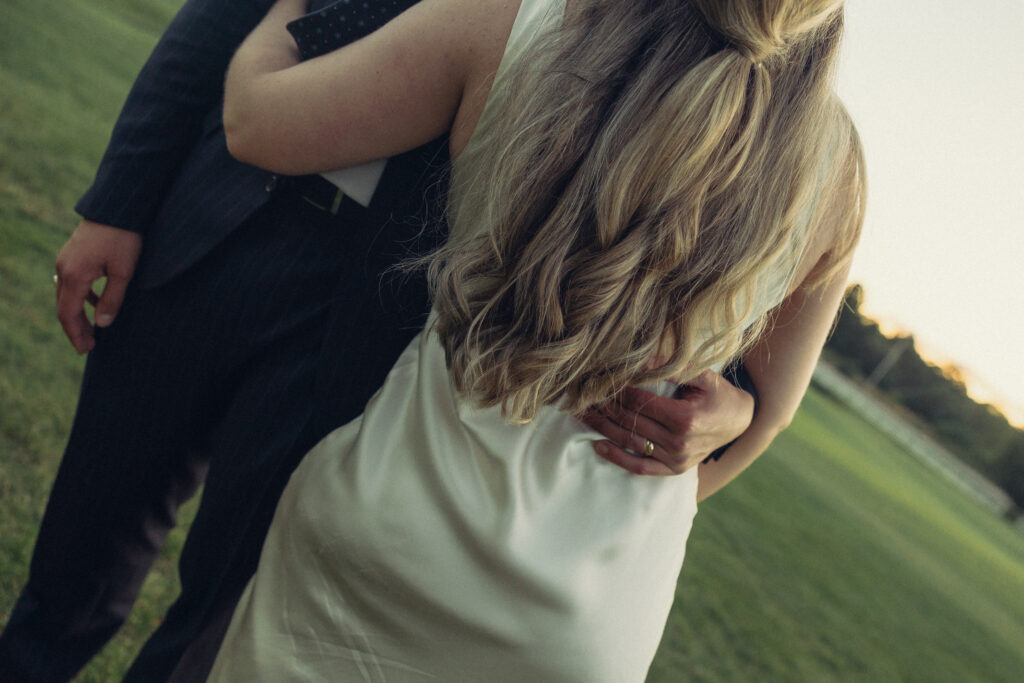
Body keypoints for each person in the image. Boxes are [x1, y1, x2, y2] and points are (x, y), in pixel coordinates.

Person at [0, 1, 756, 681]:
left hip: (370, 325)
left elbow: (699, 212)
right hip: (212, 222)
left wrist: (740, 400)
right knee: (73, 567)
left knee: (219, 618)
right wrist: (119, 201)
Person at [206, 0, 865, 680]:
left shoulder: (516, 24)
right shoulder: (836, 172)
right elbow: (771, 413)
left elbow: (255, 123)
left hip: (387, 532)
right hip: (590, 620)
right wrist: (652, 484)